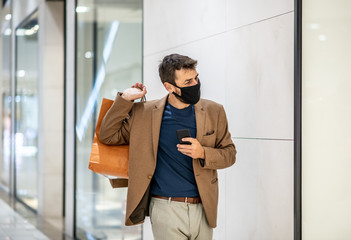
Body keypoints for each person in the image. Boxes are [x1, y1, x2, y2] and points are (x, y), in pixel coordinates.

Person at [99, 53, 236, 239]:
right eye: (188, 82)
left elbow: (229, 154)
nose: (195, 84)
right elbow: (108, 135)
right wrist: (125, 99)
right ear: (169, 87)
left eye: (196, 78)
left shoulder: (215, 111)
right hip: (165, 208)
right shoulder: (145, 114)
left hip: (204, 208)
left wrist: (203, 153)